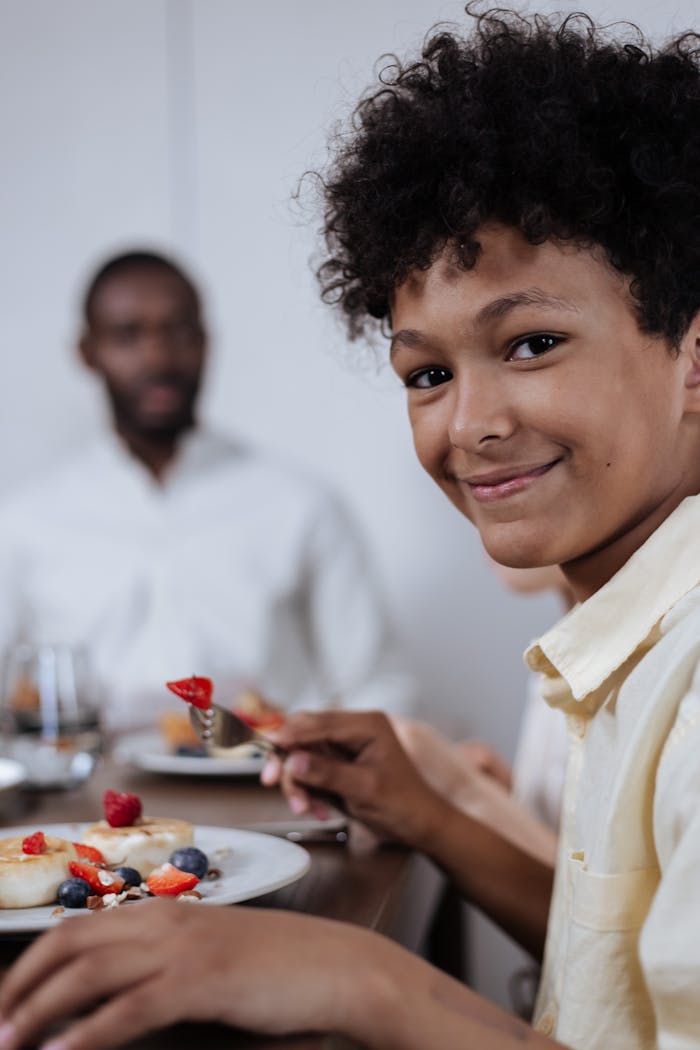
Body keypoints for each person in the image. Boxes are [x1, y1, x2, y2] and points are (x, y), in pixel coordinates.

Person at [3, 8, 700, 1049]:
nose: (469, 424)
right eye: (427, 374)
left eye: (532, 342)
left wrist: (365, 979)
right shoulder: (632, 640)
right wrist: (424, 817)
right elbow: (614, 966)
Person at [0, 251, 414, 730]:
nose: (157, 356)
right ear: (87, 352)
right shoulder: (27, 522)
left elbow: (380, 685)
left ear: (205, 342)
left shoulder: (298, 504)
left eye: (177, 331)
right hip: (87, 794)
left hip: (267, 790)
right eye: (127, 335)